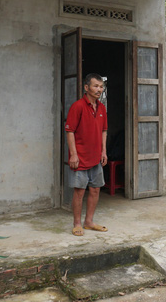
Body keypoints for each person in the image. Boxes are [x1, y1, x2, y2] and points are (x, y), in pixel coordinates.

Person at [65, 73, 108, 236]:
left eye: (101, 86)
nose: (99, 89)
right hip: (81, 158)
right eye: (96, 86)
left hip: (96, 157)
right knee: (80, 191)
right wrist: (73, 155)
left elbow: (104, 131)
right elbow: (70, 131)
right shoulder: (78, 106)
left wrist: (103, 151)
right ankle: (77, 223)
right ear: (86, 88)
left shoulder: (102, 108)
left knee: (96, 189)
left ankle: (89, 221)